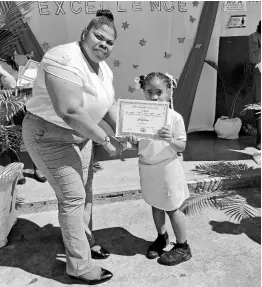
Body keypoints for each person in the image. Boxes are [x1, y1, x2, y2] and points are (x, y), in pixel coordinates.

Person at [22, 10, 122, 284]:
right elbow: (70, 111)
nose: (104, 44)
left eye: (109, 42)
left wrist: (126, 130)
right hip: (49, 135)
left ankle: (84, 242)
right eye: (98, 37)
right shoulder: (63, 58)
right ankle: (78, 266)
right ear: (84, 34)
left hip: (80, 136)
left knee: (85, 191)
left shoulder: (103, 68)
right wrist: (105, 139)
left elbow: (108, 105)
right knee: (73, 197)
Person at [125, 72, 191, 266]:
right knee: (155, 204)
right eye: (149, 92)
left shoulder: (174, 118)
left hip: (167, 168)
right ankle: (162, 237)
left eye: (159, 92)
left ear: (169, 92)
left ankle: (183, 246)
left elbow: (182, 146)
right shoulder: (140, 116)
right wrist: (130, 141)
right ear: (144, 93)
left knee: (172, 208)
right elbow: (137, 144)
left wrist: (170, 138)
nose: (154, 97)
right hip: (147, 168)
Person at [0, 28, 47, 183]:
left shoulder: (14, 61)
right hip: (8, 111)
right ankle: (16, 171)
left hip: (26, 106)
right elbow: (7, 88)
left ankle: (38, 168)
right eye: (9, 44)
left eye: (14, 44)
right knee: (13, 141)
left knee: (34, 136)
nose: (13, 47)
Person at [249, 20, 261, 150]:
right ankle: (260, 138)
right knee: (259, 106)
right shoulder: (254, 37)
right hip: (260, 74)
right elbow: (253, 59)